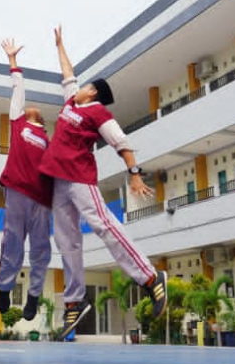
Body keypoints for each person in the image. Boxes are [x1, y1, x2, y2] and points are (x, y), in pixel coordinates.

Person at [39, 25, 168, 338]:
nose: (78, 86)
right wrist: (60, 45)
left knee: (104, 225)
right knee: (66, 241)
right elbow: (68, 74)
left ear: (93, 92)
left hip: (80, 179)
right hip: (58, 182)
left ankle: (151, 278)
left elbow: (121, 143)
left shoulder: (98, 113)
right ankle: (73, 302)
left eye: (84, 86)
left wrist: (134, 174)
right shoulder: (72, 101)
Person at [0, 38, 53, 322]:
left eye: (35, 108)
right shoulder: (17, 122)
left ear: (40, 120)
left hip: (42, 199)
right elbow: (18, 90)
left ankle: (33, 295)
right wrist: (13, 61)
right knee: (13, 241)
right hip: (17, 190)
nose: (31, 106)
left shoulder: (47, 139)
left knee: (40, 249)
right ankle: (5, 287)